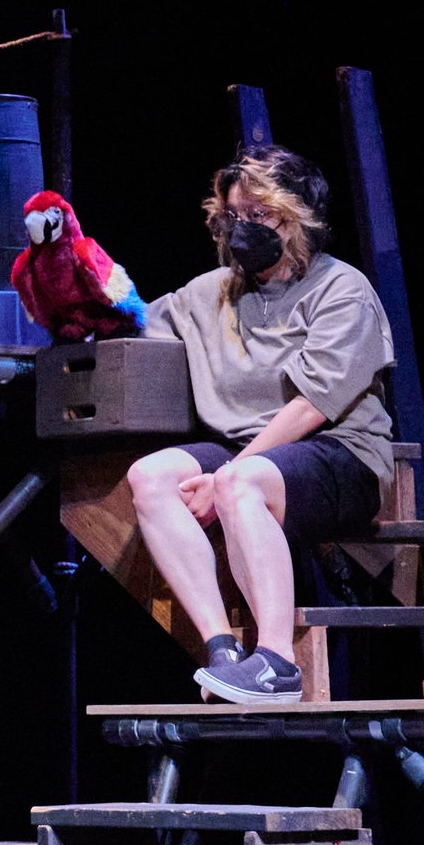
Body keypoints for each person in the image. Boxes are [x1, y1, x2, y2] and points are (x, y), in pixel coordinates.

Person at [125, 149, 395, 704]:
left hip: (339, 453)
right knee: (149, 476)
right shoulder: (211, 293)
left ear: (297, 217)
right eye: (232, 216)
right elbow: (126, 320)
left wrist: (235, 471)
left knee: (237, 483)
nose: (241, 229)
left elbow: (312, 407)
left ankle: (276, 662)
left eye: (258, 215)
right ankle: (223, 650)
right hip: (245, 452)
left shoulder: (341, 289)